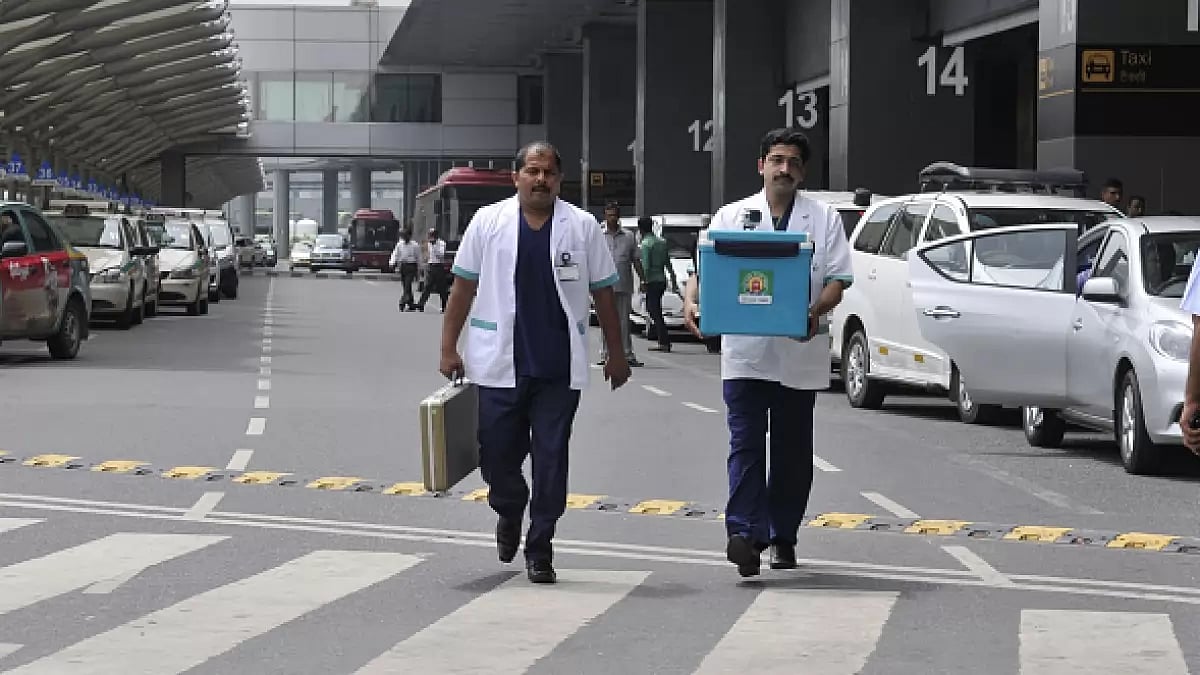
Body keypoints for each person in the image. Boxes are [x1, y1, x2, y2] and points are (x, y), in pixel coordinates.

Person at [439, 141, 632, 584]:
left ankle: (540, 544)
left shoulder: (582, 227)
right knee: (497, 458)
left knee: (551, 460)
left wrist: (616, 354)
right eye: (532, 171)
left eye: (548, 172)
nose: (540, 179)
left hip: (558, 370)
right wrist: (449, 347)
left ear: (559, 180)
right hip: (497, 365)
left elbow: (605, 293)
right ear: (516, 177)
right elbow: (463, 288)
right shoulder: (488, 222)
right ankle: (509, 509)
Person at [682, 127, 853, 578]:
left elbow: (838, 278)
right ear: (761, 165)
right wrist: (690, 300)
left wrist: (815, 311)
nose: (785, 169)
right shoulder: (732, 215)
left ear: (803, 171)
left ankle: (783, 535)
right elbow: (705, 269)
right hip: (745, 354)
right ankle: (745, 534)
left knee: (793, 453)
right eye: (777, 160)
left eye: (794, 162)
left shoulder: (823, 218)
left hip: (800, 351)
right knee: (746, 446)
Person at [598, 201, 643, 367]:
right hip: (602, 285)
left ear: (619, 216)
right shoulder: (598, 234)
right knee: (606, 321)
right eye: (609, 215)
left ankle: (627, 354)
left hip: (623, 284)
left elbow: (636, 260)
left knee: (623, 322)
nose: (612, 218)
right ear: (605, 216)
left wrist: (643, 279)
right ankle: (606, 354)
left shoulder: (629, 236)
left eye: (615, 215)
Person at [637, 216, 678, 353]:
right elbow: (668, 263)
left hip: (652, 281)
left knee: (653, 310)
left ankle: (664, 341)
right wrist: (673, 279)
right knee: (656, 309)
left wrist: (643, 281)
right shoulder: (662, 242)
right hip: (662, 280)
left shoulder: (646, 244)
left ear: (640, 229)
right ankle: (662, 338)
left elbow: (646, 265)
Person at [417, 228, 448, 313]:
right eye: (430, 235)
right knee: (427, 287)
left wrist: (434, 246)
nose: (431, 238)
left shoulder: (441, 243)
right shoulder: (429, 243)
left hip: (439, 266)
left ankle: (445, 306)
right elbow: (426, 253)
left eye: (432, 236)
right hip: (431, 266)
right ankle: (421, 305)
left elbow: (441, 255)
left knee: (441, 288)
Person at [389, 229, 420, 311]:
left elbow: (418, 257)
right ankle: (411, 303)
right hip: (403, 266)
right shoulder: (400, 244)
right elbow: (395, 253)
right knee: (406, 286)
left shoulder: (415, 245)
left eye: (406, 236)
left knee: (407, 285)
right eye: (403, 236)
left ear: (410, 236)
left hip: (411, 266)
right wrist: (392, 263)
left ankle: (402, 302)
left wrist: (420, 269)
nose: (405, 238)